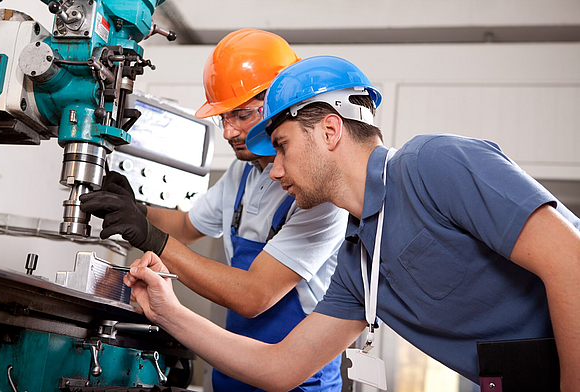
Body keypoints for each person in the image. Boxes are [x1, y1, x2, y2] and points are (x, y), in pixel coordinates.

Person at [121, 55, 580, 391]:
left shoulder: (435, 164)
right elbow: (282, 368)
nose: (275, 170)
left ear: (329, 130)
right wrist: (168, 311)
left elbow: (572, 261)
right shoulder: (360, 258)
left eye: (281, 146)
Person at [80, 34, 348, 391]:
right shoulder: (243, 172)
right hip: (236, 369)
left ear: (281, 104)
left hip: (298, 381)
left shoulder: (320, 194)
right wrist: (136, 209)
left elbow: (254, 296)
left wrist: (151, 238)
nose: (228, 132)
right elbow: (187, 226)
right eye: (223, 117)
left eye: (240, 114)